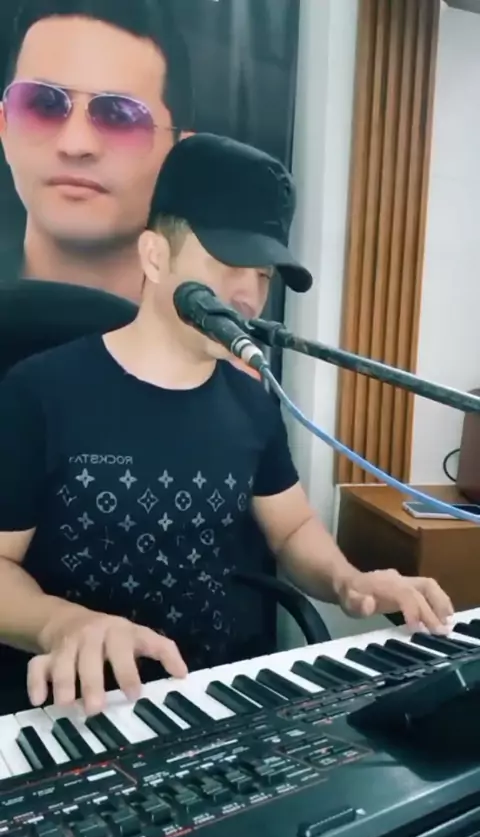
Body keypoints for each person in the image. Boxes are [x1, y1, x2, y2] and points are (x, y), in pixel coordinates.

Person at [0, 133, 453, 717]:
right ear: (155, 256)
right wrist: (62, 624)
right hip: (75, 705)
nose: (247, 295)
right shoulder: (39, 392)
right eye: (229, 264)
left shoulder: (252, 400)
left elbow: (291, 530)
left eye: (262, 275)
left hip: (218, 697)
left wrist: (348, 580)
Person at [0, 0, 193, 301]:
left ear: (181, 157)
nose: (75, 145)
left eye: (120, 116)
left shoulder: (213, 330)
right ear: (4, 126)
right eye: (44, 105)